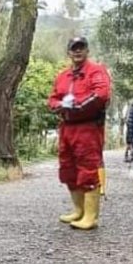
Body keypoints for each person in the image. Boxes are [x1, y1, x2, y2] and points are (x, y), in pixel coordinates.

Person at [47, 37, 111, 230]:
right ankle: (79, 209)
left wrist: (79, 106)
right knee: (68, 168)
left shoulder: (96, 71)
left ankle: (90, 216)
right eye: (74, 48)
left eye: (81, 48)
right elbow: (52, 99)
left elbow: (101, 94)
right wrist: (59, 105)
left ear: (87, 51)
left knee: (88, 168)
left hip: (87, 127)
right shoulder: (62, 76)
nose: (77, 51)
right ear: (68, 52)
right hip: (66, 127)